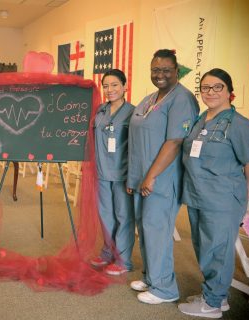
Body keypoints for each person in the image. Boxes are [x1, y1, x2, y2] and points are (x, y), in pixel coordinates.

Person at [178, 68, 249, 318]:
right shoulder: (200, 119)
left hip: (223, 199)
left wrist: (245, 192)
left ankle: (212, 303)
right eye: (205, 87)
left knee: (217, 250)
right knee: (204, 248)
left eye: (217, 87)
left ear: (229, 93)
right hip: (196, 195)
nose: (210, 92)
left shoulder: (239, 125)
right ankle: (218, 296)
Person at [127, 49, 199, 304]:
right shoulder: (150, 98)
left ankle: (165, 288)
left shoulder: (182, 99)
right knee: (145, 229)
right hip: (140, 177)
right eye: (155, 70)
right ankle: (151, 277)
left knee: (157, 230)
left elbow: (174, 142)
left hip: (162, 178)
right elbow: (138, 139)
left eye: (166, 70)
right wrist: (133, 178)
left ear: (177, 71)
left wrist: (151, 176)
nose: (160, 75)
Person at [89, 69, 135, 276]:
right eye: (106, 85)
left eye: (115, 84)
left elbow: (137, 147)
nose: (110, 89)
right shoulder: (100, 111)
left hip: (122, 173)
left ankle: (123, 260)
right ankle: (107, 252)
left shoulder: (134, 113)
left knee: (123, 216)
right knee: (105, 215)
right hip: (101, 172)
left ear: (125, 86)